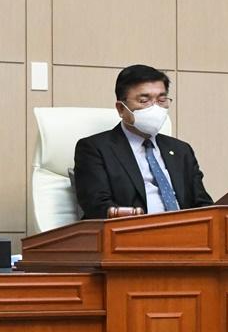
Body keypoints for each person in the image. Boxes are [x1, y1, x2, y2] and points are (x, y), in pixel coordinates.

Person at [74, 64, 213, 220]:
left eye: (161, 100)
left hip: (188, 231)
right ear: (121, 108)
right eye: (144, 100)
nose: (155, 108)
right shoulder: (95, 149)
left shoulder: (181, 150)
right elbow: (97, 206)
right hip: (130, 230)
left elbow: (203, 204)